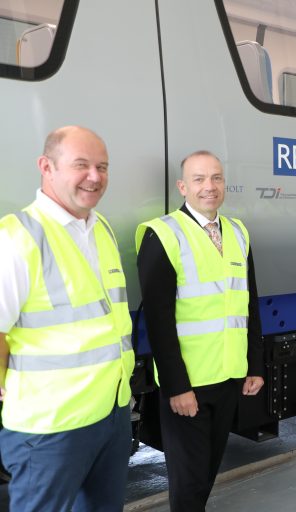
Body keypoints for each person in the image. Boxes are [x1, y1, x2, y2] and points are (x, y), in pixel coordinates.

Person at [0, 126, 135, 511]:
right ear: (46, 167)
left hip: (111, 413)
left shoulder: (101, 228)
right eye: (81, 165)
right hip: (49, 428)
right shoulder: (17, 237)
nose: (95, 176)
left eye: (102, 167)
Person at [136, 151, 264, 510]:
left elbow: (250, 305)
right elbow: (158, 321)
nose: (210, 186)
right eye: (199, 179)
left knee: (206, 473)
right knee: (189, 481)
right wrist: (177, 386)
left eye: (216, 178)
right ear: (183, 187)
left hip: (228, 376)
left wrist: (255, 365)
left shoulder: (238, 232)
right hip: (188, 384)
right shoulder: (163, 234)